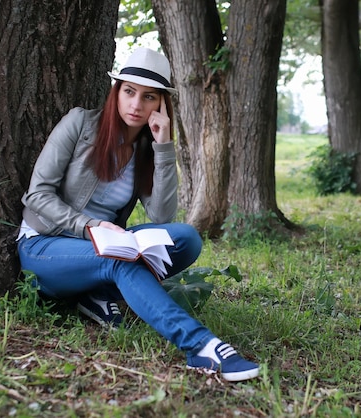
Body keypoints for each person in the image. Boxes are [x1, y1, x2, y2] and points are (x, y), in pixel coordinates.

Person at [16, 47, 259, 382]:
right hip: (44, 246)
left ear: (160, 104)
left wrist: (163, 146)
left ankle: (99, 297)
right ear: (117, 91)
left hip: (102, 247)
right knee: (119, 261)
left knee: (186, 238)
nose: (136, 105)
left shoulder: (146, 148)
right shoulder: (79, 123)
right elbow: (37, 194)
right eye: (129, 92)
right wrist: (91, 226)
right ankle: (200, 346)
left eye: (148, 97)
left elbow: (161, 214)